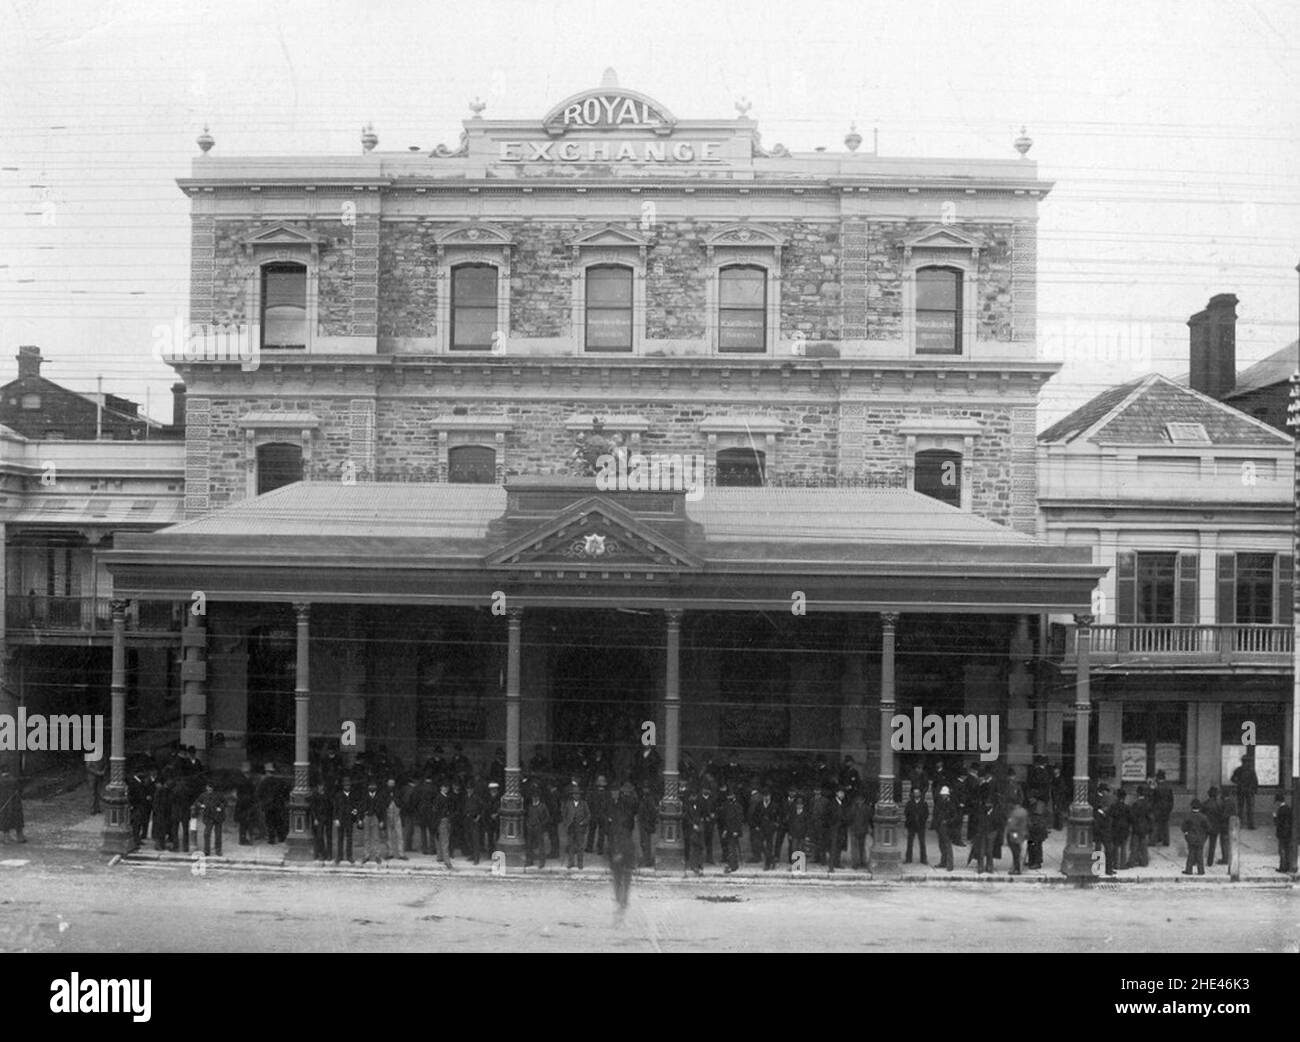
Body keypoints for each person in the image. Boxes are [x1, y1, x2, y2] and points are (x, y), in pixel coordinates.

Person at [609, 783, 639, 912]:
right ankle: (623, 899)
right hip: (624, 857)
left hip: (620, 857)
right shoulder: (626, 832)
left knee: (619, 879)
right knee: (624, 880)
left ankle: (620, 897)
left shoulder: (618, 830)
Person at [192, 781, 226, 857]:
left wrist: (220, 808)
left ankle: (218, 850)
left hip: (217, 817)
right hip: (208, 817)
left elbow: (224, 802)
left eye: (211, 788)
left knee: (218, 835)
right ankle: (207, 850)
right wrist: (201, 805)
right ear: (206, 788)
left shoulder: (219, 795)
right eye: (208, 787)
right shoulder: (203, 795)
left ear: (213, 788)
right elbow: (197, 802)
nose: (209, 789)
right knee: (207, 834)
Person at [562, 785, 590, 869]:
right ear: (572, 795)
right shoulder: (568, 803)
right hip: (571, 827)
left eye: (578, 794)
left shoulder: (584, 804)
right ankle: (571, 862)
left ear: (580, 795)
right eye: (574, 794)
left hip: (580, 828)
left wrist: (583, 822)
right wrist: (566, 823)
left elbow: (588, 815)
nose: (576, 796)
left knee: (580, 846)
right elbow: (564, 814)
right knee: (571, 845)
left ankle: (580, 863)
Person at [333, 775, 360, 865]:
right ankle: (339, 856)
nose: (347, 787)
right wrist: (336, 819)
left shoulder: (353, 795)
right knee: (340, 838)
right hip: (340, 819)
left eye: (348, 785)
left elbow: (355, 808)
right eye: (345, 785)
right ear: (343, 786)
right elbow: (335, 808)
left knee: (349, 839)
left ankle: (349, 856)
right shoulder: (338, 795)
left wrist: (355, 817)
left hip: (349, 819)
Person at [361, 779, 387, 866]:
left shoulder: (379, 797)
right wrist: (359, 819)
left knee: (376, 837)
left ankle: (377, 855)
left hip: (376, 817)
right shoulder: (364, 796)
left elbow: (383, 810)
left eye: (373, 786)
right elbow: (360, 808)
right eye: (370, 786)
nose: (372, 788)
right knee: (366, 837)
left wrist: (382, 820)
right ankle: (366, 855)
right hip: (367, 817)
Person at [1093, 783, 1116, 876]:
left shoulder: (1104, 798)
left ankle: (1102, 868)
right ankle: (1102, 868)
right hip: (1101, 828)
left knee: (1103, 849)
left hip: (1103, 828)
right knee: (1102, 849)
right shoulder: (1098, 799)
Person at [1181, 799, 1209, 875]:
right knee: (1200, 855)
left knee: (1191, 854)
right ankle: (1201, 870)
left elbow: (1184, 827)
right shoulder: (1203, 817)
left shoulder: (1188, 816)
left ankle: (1189, 870)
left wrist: (1186, 834)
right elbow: (1207, 827)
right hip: (1200, 837)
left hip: (1191, 837)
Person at [720, 790, 745, 873]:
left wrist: (736, 831)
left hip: (734, 830)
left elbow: (739, 819)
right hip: (729, 830)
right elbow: (726, 819)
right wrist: (725, 830)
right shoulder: (727, 806)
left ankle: (733, 866)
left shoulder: (737, 806)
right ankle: (732, 864)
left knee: (732, 848)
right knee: (730, 848)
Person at [1127, 786, 1152, 868]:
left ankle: (1132, 862)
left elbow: (1132, 816)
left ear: (1137, 794)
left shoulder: (1135, 804)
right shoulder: (1148, 804)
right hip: (1145, 827)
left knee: (1134, 846)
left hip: (1137, 827)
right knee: (1144, 846)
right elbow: (1150, 817)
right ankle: (1144, 861)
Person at [1231, 755, 1259, 829]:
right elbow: (1255, 782)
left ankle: (1243, 824)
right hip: (1246, 791)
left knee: (1243, 808)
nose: (1247, 763)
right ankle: (1249, 825)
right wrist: (1254, 790)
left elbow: (1233, 779)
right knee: (1247, 809)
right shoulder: (1249, 770)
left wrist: (1238, 782)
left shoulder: (1239, 770)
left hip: (1243, 791)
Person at [0, 766, 26, 843]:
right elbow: (20, 790)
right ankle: (20, 837)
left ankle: (6, 838)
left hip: (3, 803)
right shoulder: (14, 779)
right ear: (9, 771)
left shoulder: (0, 780)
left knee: (5, 819)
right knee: (18, 819)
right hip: (15, 804)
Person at [934, 786, 958, 871]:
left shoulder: (951, 804)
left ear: (947, 795)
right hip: (940, 827)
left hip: (947, 828)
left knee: (948, 846)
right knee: (941, 846)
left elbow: (955, 816)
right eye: (942, 795)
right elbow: (936, 813)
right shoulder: (940, 802)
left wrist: (947, 821)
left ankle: (950, 865)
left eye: (944, 795)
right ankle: (943, 862)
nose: (943, 796)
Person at [849, 789, 874, 869]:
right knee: (862, 847)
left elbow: (849, 818)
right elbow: (870, 819)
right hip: (863, 829)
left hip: (855, 829)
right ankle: (862, 861)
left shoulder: (853, 808)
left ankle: (855, 863)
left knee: (855, 847)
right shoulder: (867, 808)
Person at [525, 789, 550, 868]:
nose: (534, 799)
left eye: (536, 797)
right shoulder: (530, 806)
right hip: (530, 828)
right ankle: (530, 860)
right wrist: (527, 824)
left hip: (539, 828)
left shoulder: (543, 806)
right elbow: (527, 816)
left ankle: (542, 862)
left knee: (540, 845)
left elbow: (547, 817)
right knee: (529, 845)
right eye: (533, 797)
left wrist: (542, 825)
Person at [1204, 787, 1228, 867]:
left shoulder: (1205, 803)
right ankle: (1210, 862)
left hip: (1206, 826)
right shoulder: (1220, 804)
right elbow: (1222, 815)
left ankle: (1196, 860)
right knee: (1212, 846)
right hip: (1215, 827)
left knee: (1201, 843)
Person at [586, 775, 610, 856]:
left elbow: (589, 803)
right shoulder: (607, 793)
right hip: (602, 815)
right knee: (601, 833)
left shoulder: (592, 792)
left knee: (592, 832)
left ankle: (590, 847)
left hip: (594, 814)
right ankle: (600, 849)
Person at [904, 785, 928, 864]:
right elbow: (906, 813)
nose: (916, 794)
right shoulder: (909, 803)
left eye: (918, 793)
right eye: (915, 793)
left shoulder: (924, 803)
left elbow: (926, 814)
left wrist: (922, 820)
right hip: (911, 825)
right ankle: (908, 859)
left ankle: (923, 859)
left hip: (921, 825)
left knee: (922, 843)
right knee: (910, 843)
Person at [308, 782, 332, 861]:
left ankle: (329, 854)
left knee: (328, 836)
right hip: (318, 817)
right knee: (319, 836)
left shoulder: (327, 795)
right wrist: (315, 818)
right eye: (320, 786)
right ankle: (321, 853)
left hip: (327, 817)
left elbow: (330, 806)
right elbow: (313, 808)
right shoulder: (315, 795)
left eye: (322, 786)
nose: (321, 787)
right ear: (318, 786)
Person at [234, 762, 257, 845]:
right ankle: (243, 840)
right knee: (244, 823)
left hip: (245, 802)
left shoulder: (244, 779)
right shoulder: (244, 780)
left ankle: (244, 839)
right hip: (244, 803)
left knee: (246, 822)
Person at [637, 785, 659, 868]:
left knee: (646, 842)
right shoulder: (644, 798)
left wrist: (650, 822)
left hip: (646, 823)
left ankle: (647, 861)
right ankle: (646, 860)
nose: (644, 789)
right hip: (643, 822)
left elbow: (652, 812)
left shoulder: (649, 799)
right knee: (643, 842)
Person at [1004, 797, 1027, 875]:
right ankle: (1017, 868)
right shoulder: (1024, 811)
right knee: (1019, 851)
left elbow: (1011, 825)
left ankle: (1016, 868)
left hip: (1014, 834)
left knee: (1015, 852)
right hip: (1022, 833)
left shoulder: (1015, 813)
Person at [1026, 797, 1048, 869]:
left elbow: (1037, 820)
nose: (1029, 800)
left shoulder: (1038, 807)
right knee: (1031, 845)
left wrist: (1031, 825)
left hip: (1037, 832)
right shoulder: (1033, 805)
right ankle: (1031, 860)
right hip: (1033, 831)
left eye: (1031, 798)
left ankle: (1037, 862)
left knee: (1036, 846)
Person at [1152, 771, 1174, 846]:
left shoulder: (1156, 788)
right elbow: (1171, 800)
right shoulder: (1169, 788)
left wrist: (1154, 809)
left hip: (1158, 809)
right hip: (1166, 809)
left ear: (1158, 778)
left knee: (1156, 825)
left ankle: (1153, 841)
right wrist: (1169, 809)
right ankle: (1166, 841)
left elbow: (1154, 800)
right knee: (1165, 826)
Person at [1273, 792, 1293, 873]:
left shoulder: (1281, 810)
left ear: (1278, 801)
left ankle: (1283, 867)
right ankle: (1288, 866)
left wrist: (1274, 817)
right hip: (1288, 833)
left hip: (1282, 833)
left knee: (1282, 851)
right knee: (1287, 850)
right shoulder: (1288, 808)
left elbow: (1278, 823)